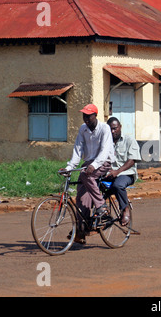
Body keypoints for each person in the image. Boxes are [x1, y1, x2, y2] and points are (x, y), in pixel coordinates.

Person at [61, 104, 114, 244]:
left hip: (104, 162)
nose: (86, 119)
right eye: (84, 116)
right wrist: (69, 167)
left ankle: (101, 206)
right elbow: (78, 150)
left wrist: (94, 165)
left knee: (86, 176)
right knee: (81, 197)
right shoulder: (83, 129)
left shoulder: (104, 128)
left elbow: (104, 151)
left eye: (89, 116)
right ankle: (82, 229)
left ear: (95, 115)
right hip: (88, 164)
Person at [105, 117, 141, 226]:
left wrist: (117, 172)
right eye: (110, 129)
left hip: (126, 173)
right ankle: (102, 214)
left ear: (120, 127)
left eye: (115, 128)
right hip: (109, 173)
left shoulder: (129, 140)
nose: (112, 131)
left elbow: (132, 160)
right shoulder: (105, 143)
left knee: (118, 185)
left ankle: (125, 209)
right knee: (93, 187)